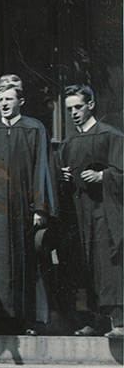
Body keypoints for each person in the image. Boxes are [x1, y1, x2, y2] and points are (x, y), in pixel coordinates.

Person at [0, 85, 55, 333]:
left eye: (9, 99)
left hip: (24, 208)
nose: (4, 104)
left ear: (21, 101)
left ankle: (25, 319)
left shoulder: (33, 129)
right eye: (0, 99)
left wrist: (40, 208)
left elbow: (41, 167)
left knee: (25, 261)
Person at [55, 85, 123, 338]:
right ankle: (93, 322)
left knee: (108, 264)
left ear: (91, 105)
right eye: (69, 109)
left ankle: (119, 322)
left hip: (105, 211)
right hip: (79, 214)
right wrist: (63, 176)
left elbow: (122, 172)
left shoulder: (110, 135)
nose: (73, 113)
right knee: (84, 264)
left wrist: (102, 175)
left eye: (78, 107)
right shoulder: (68, 142)